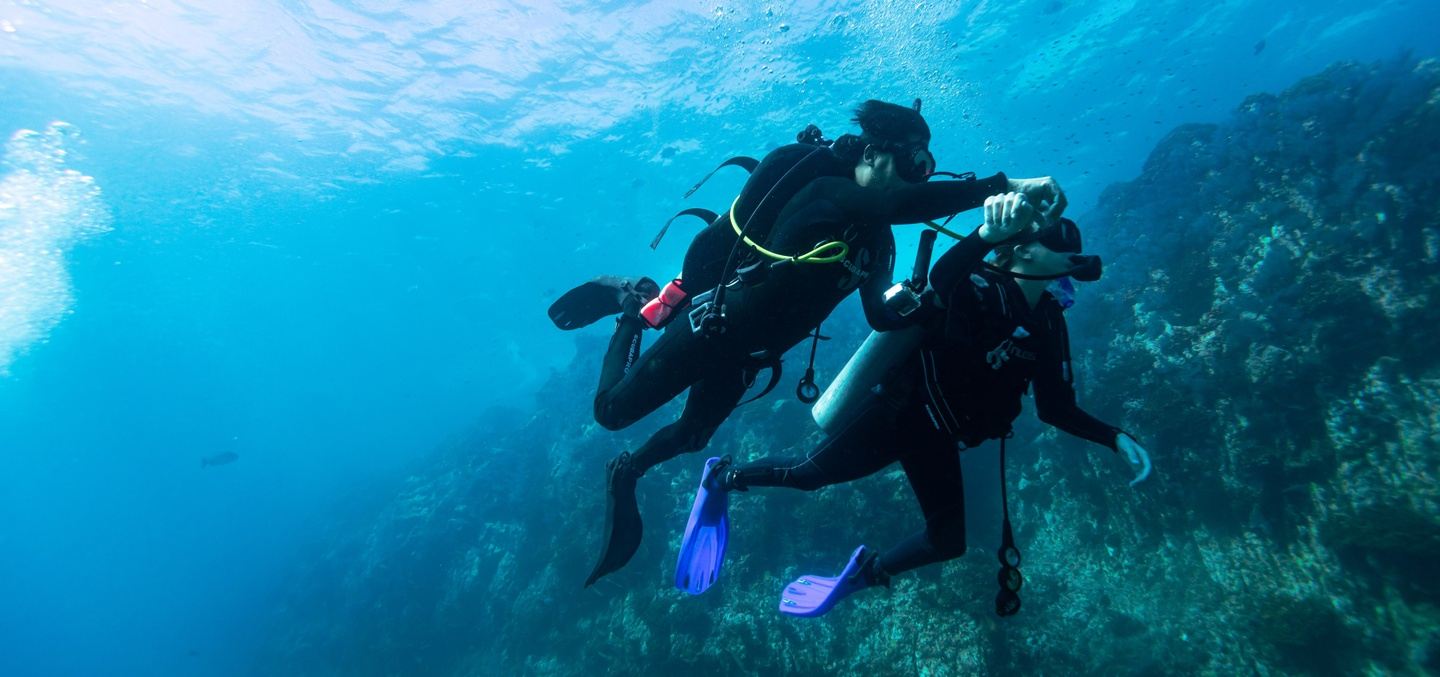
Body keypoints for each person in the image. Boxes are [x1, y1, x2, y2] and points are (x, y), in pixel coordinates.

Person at [549, 99, 1071, 588]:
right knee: (610, 413)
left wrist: (922, 303)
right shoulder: (825, 190)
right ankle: (630, 304)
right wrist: (1004, 185)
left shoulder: (878, 241)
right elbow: (899, 202)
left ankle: (630, 470)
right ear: (870, 152)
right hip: (715, 327)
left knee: (693, 435)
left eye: (923, 166)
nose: (917, 176)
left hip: (752, 356)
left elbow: (879, 315)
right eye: (910, 163)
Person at [674, 192, 1153, 617]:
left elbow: (1055, 407)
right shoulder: (977, 284)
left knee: (947, 542)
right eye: (1059, 245)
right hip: (899, 414)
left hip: (941, 435)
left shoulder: (1048, 320)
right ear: (1024, 247)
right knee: (807, 475)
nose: (1072, 256)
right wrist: (987, 233)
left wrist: (1114, 437)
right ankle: (723, 477)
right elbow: (944, 279)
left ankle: (865, 574)